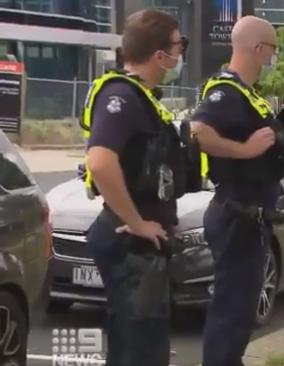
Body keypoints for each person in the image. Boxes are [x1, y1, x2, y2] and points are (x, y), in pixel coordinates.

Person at [83, 9, 189, 366]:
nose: (181, 54)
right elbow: (100, 161)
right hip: (130, 245)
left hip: (139, 245)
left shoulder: (144, 98)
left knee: (135, 344)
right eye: (179, 45)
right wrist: (137, 221)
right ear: (160, 55)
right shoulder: (122, 97)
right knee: (142, 350)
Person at [190, 16, 284, 366]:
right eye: (272, 51)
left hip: (253, 214)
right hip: (237, 211)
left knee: (241, 311)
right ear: (258, 48)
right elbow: (198, 132)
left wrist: (283, 150)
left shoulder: (249, 96)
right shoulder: (226, 91)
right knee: (231, 310)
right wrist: (247, 150)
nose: (272, 59)